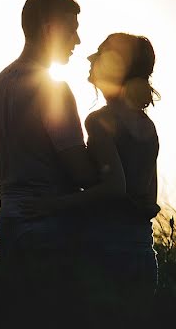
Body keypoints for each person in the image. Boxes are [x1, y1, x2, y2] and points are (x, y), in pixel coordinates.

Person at [24, 33, 161, 294]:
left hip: (107, 252)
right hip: (142, 249)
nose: (90, 57)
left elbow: (115, 188)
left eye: (100, 53)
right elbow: (150, 200)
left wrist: (53, 205)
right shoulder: (148, 126)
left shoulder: (100, 121)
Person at [0, 0, 98, 284]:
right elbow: (81, 172)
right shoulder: (52, 89)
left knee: (22, 321)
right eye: (72, 30)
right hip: (51, 226)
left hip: (9, 223)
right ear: (51, 30)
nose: (78, 41)